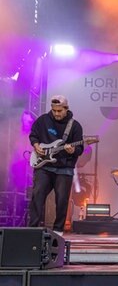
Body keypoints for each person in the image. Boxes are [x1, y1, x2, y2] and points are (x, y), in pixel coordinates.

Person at [28, 95, 84, 235]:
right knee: (37, 195)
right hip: (44, 166)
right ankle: (32, 229)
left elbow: (80, 149)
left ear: (66, 109)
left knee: (62, 201)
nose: (57, 114)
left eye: (59, 111)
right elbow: (33, 135)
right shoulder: (43, 120)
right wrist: (36, 145)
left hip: (64, 169)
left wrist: (73, 150)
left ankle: (58, 231)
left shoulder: (75, 126)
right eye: (54, 111)